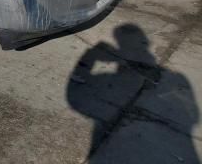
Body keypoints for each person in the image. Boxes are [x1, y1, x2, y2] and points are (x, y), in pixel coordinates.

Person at [67, 24, 199, 163]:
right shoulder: (178, 78)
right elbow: (193, 114)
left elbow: (73, 99)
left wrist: (92, 55)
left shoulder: (177, 79)